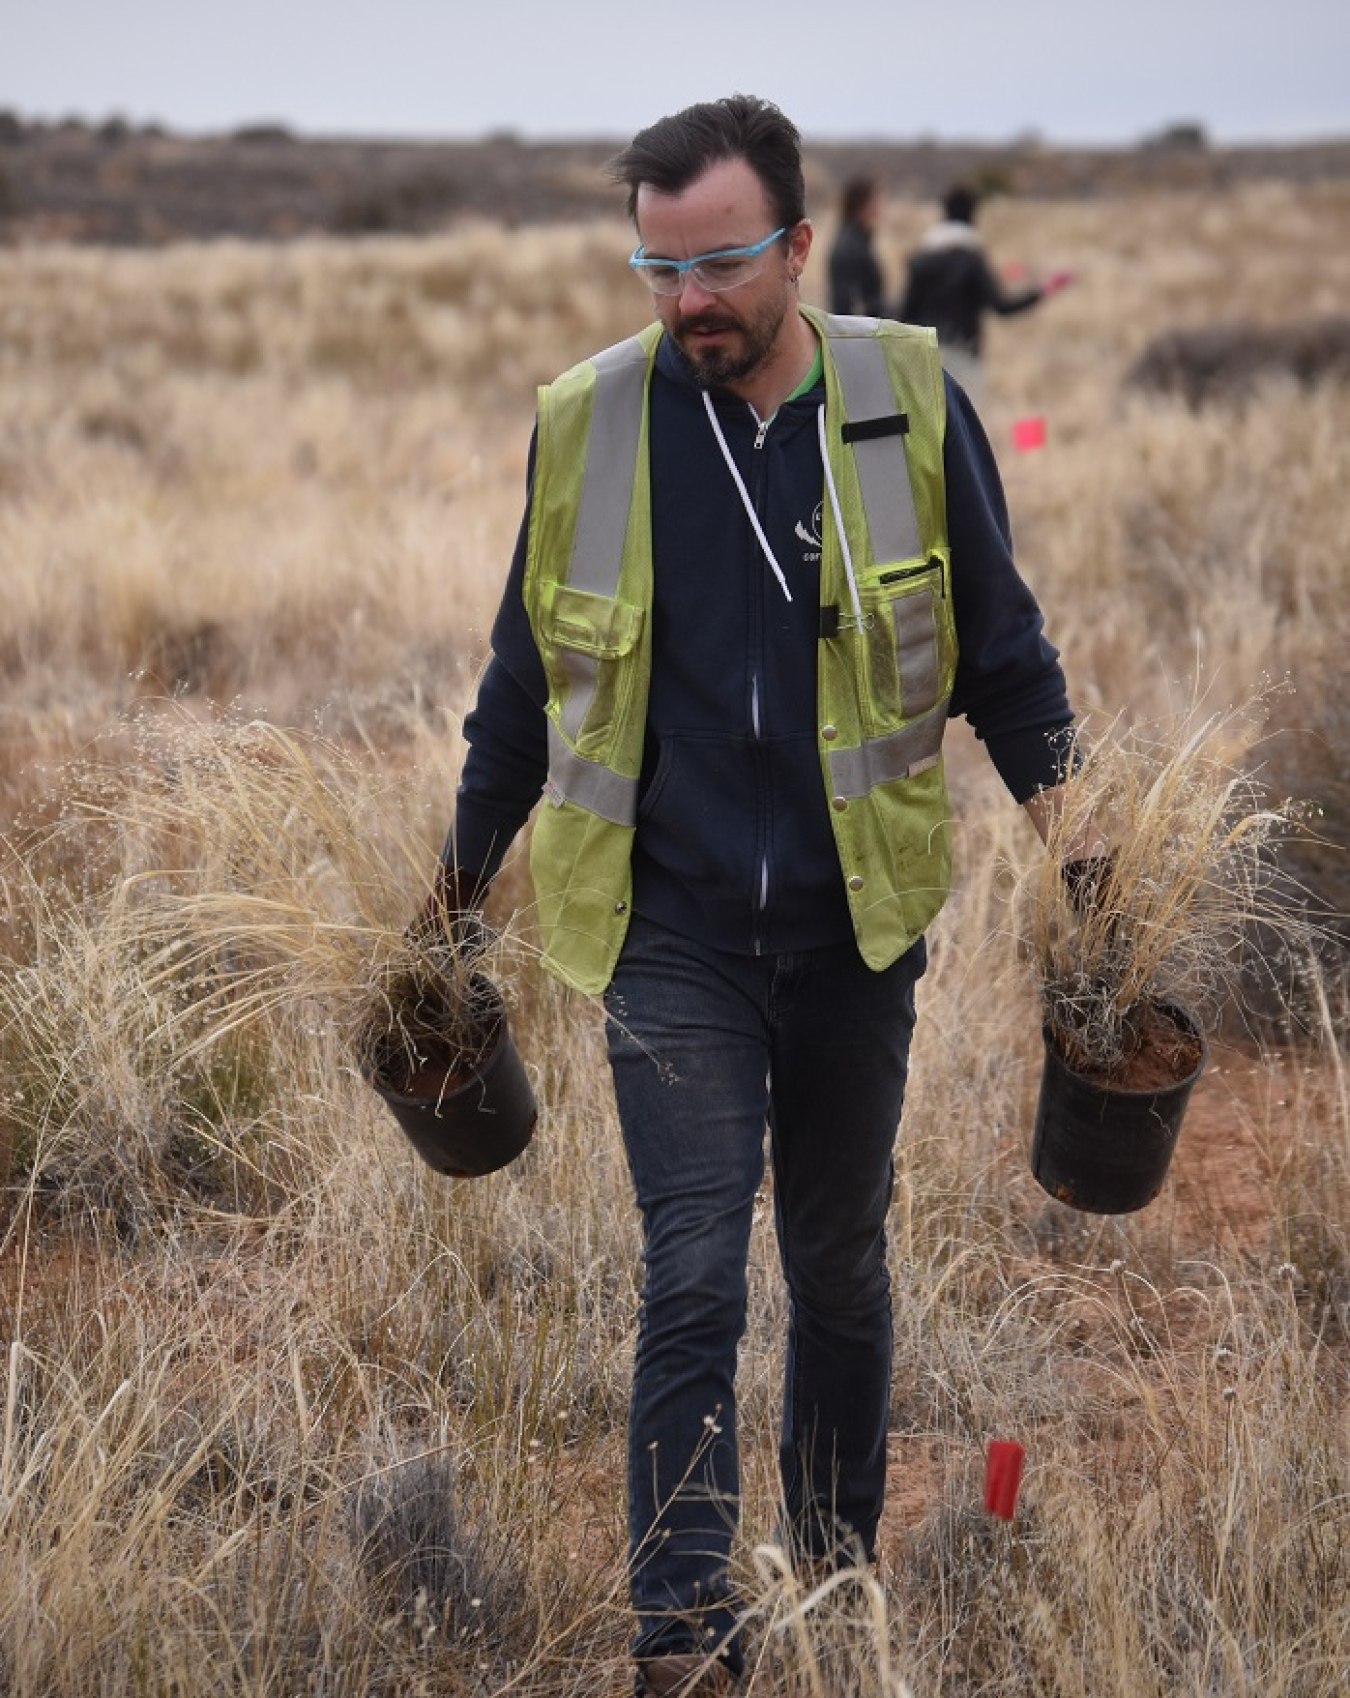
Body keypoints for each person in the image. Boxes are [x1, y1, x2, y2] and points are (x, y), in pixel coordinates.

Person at [420, 95, 1096, 1697]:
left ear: (798, 246)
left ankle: (829, 1582)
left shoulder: (903, 401)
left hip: (857, 925)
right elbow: (519, 692)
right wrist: (440, 908)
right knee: (691, 1268)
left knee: (839, 1266)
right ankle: (678, 1629)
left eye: (718, 263)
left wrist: (1103, 882)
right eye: (656, 269)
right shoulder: (590, 420)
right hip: (668, 933)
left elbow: (1006, 664)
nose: (685, 302)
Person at [898, 182, 1073, 392]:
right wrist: (1042, 290)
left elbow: (904, 313)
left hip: (922, 357)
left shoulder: (921, 259)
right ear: (972, 215)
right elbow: (1002, 306)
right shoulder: (971, 260)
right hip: (962, 356)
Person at [827, 174, 886, 317]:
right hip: (861, 331)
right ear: (860, 204)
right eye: (875, 201)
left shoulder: (859, 240)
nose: (880, 206)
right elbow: (846, 303)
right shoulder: (849, 247)